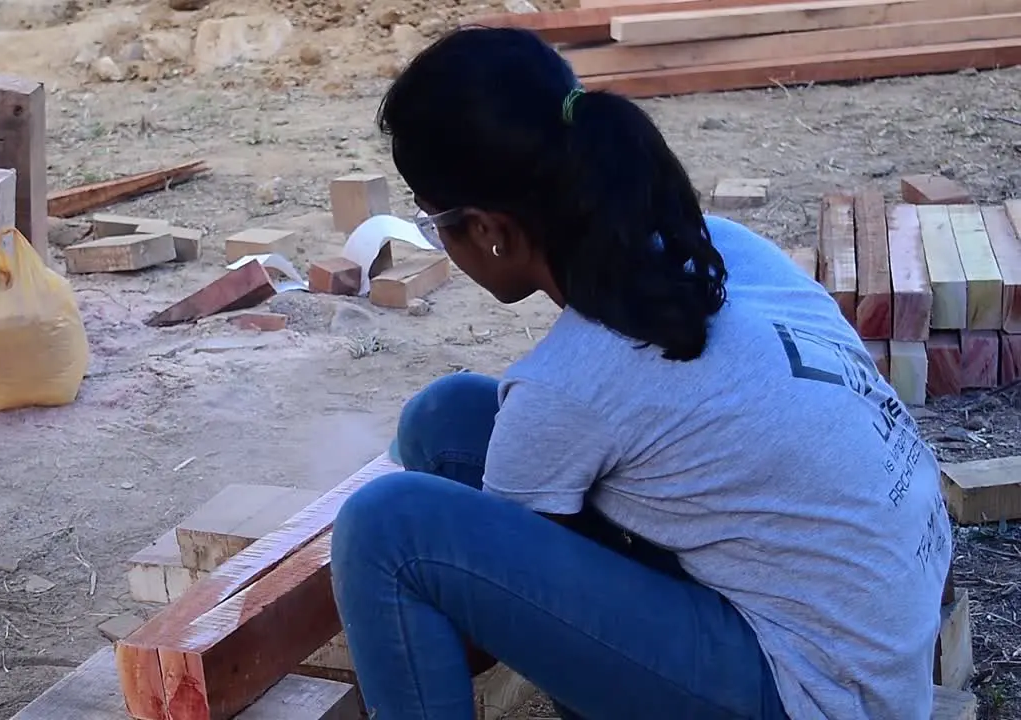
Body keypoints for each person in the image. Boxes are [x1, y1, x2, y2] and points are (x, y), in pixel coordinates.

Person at [327, 25, 952, 720]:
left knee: (386, 530)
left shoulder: (572, 382)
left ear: (487, 229)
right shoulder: (718, 247)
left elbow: (488, 597)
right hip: (874, 636)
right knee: (446, 420)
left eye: (431, 218)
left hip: (815, 693)